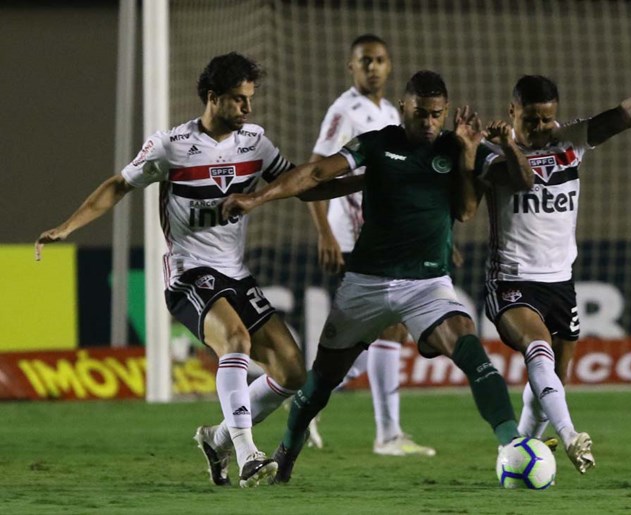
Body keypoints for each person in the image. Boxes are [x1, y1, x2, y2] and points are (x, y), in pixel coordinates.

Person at [35, 52, 361, 488]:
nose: (248, 109)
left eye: (250, 99)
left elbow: (301, 184)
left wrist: (368, 178)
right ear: (213, 98)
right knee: (237, 338)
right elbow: (118, 185)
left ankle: (217, 439)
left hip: (236, 274)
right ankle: (247, 454)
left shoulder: (255, 143)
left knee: (291, 370)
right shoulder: (171, 146)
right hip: (188, 274)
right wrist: (67, 226)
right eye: (239, 100)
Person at [222, 70, 526, 484]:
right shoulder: (377, 143)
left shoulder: (457, 148)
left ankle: (513, 445)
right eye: (421, 113)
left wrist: (472, 153)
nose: (429, 122)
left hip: (426, 285)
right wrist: (256, 198)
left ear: (447, 112)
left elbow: (467, 211)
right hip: (365, 284)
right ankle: (286, 454)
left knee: (471, 349)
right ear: (404, 107)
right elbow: (315, 174)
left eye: (437, 114)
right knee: (320, 383)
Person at [476, 45, 631, 473]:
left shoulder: (570, 140)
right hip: (513, 279)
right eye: (533, 119)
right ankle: (570, 437)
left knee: (555, 381)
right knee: (538, 347)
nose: (544, 127)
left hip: (560, 280)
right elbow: (523, 180)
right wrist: (508, 145)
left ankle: (518, 452)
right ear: (512, 111)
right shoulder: (490, 154)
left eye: (549, 118)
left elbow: (619, 117)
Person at [305, 34, 434, 456]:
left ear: (390, 66)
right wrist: (324, 231)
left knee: (370, 336)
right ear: (351, 67)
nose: (373, 67)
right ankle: (387, 434)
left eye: (379, 60)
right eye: (365, 61)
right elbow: (316, 170)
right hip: (349, 237)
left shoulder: (391, 111)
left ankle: (308, 399)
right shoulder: (344, 111)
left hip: (384, 237)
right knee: (386, 327)